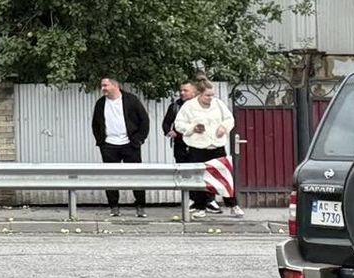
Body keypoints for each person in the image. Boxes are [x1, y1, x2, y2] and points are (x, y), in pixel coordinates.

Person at [175, 78, 244, 219]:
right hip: (198, 146)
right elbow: (179, 124)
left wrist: (223, 127)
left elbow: (229, 119)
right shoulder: (189, 106)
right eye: (207, 95)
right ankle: (200, 206)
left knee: (225, 175)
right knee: (200, 177)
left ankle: (233, 205)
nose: (210, 98)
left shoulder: (218, 104)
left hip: (216, 145)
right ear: (199, 93)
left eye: (212, 95)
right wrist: (193, 128)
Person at [91, 77, 151, 217]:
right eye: (102, 86)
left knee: (136, 176)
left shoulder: (131, 100)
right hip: (109, 145)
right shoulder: (100, 103)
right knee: (110, 177)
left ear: (115, 85)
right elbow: (95, 124)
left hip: (130, 145)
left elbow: (144, 120)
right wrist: (101, 142)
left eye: (105, 85)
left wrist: (138, 140)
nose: (103, 88)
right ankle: (114, 207)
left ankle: (140, 206)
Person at [163, 81, 214, 214]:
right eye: (181, 90)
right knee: (185, 172)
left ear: (194, 92)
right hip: (181, 145)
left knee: (202, 172)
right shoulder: (175, 106)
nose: (182, 93)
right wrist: (170, 132)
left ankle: (209, 200)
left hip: (200, 145)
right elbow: (167, 123)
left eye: (186, 90)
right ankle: (191, 199)